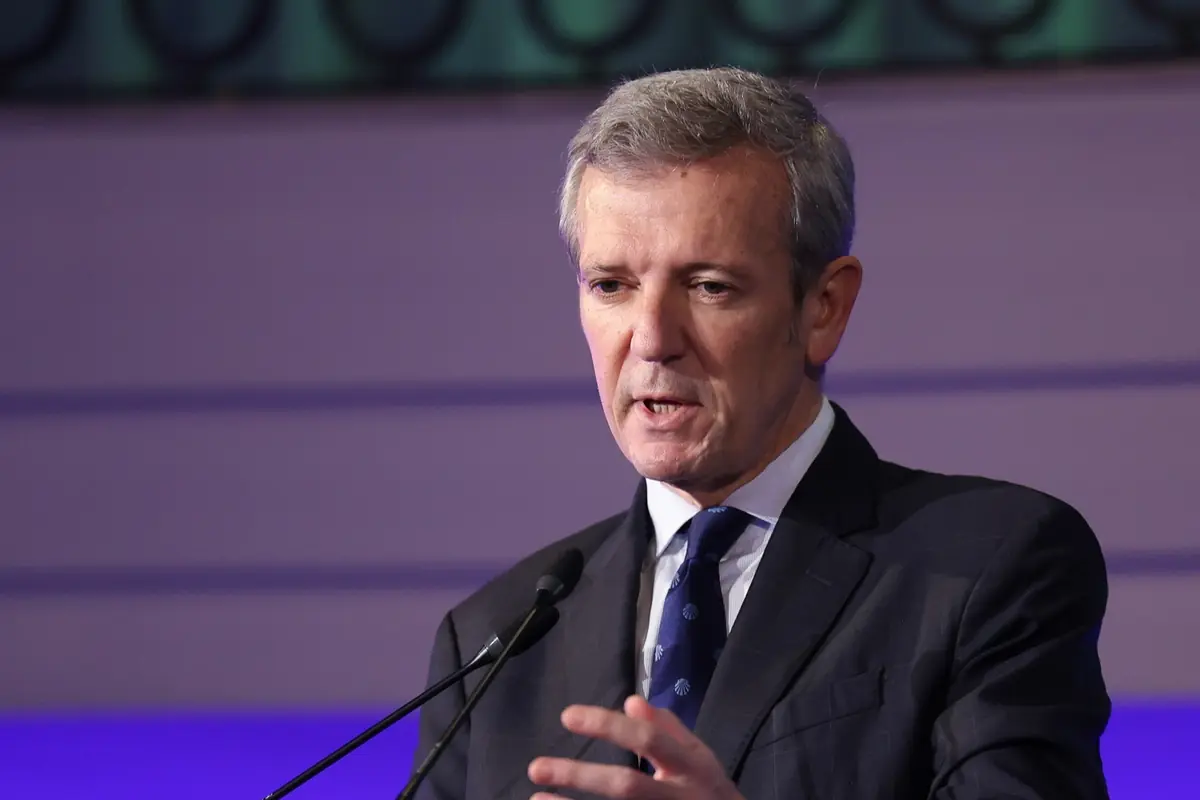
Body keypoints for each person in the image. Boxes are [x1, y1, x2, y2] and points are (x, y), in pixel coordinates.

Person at [411, 66, 1111, 799]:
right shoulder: (499, 641)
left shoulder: (989, 569)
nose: (651, 339)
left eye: (709, 286)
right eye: (611, 285)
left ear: (824, 308)